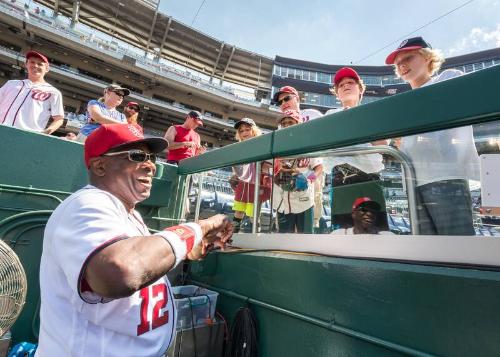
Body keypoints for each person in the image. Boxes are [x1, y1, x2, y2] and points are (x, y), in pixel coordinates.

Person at [36, 123, 233, 356]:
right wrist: (200, 227)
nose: (150, 165)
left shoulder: (129, 213)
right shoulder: (88, 203)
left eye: (152, 158)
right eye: (137, 155)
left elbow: (142, 259)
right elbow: (119, 272)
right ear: (100, 165)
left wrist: (190, 247)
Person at [385, 37, 479, 235]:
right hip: (413, 183)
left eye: (408, 58)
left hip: (447, 177)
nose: (402, 65)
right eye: (398, 63)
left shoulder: (448, 77)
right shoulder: (402, 103)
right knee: (426, 252)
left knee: (458, 249)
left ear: (427, 57)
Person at [273, 86, 324, 229]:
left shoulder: (313, 114)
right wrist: (276, 173)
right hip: (285, 197)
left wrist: (309, 179)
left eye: (287, 98)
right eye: (280, 102)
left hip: (306, 192)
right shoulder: (279, 138)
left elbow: (318, 166)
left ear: (297, 98)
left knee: (310, 225)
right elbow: (274, 166)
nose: (283, 103)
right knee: (285, 235)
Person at [0, 50, 64, 134]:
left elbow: (59, 119)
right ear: (26, 64)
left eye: (40, 64)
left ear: (47, 69)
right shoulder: (11, 84)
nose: (35, 65)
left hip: (27, 135)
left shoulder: (53, 92)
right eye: (32, 62)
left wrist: (45, 133)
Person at [230, 118, 272, 232]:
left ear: (254, 130)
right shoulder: (238, 147)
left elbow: (269, 164)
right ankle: (233, 236)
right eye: (241, 131)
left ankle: (255, 237)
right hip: (243, 183)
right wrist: (235, 175)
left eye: (247, 129)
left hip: (256, 183)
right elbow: (237, 166)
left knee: (253, 214)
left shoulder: (261, 144)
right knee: (238, 211)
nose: (244, 133)